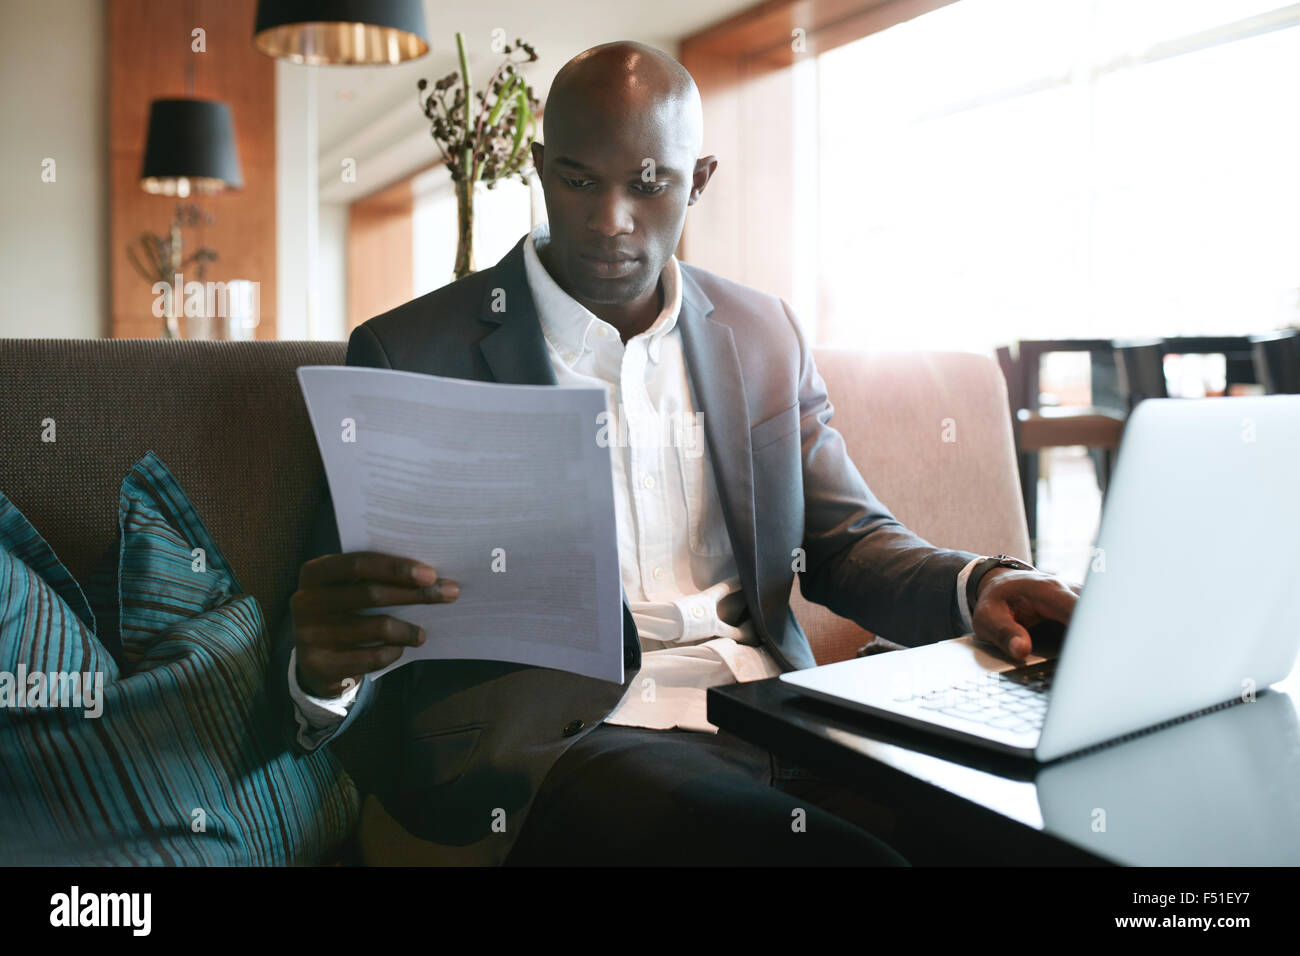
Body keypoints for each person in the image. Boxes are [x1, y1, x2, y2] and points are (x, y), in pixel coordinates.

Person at [277, 41, 1080, 866]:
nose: (609, 220)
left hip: (776, 715)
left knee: (1013, 829)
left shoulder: (763, 333)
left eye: (649, 184)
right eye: (579, 180)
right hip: (561, 751)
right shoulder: (410, 349)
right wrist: (323, 672)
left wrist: (980, 582)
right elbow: (342, 619)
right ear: (539, 166)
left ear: (698, 179)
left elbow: (845, 544)